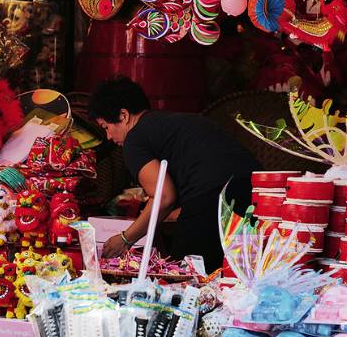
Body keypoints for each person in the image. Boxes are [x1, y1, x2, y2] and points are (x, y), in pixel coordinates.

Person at [91, 76, 259, 272]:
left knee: (186, 278)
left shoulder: (135, 138)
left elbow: (163, 196)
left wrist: (126, 238)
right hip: (255, 193)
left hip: (213, 200)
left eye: (106, 127)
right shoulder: (173, 124)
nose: (109, 137)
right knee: (239, 276)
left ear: (123, 115)